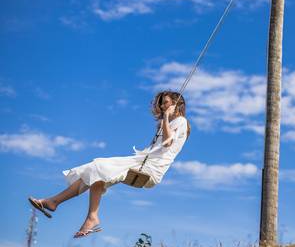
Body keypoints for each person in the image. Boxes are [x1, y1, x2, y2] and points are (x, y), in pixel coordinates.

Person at [28, 91, 190, 238]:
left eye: (166, 102)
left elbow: (168, 143)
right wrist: (165, 122)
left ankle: (63, 205)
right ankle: (66, 207)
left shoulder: (181, 121)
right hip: (142, 163)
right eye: (161, 103)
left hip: (150, 169)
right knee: (95, 172)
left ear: (176, 104)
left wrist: (166, 119)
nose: (162, 106)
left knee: (99, 166)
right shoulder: (167, 124)